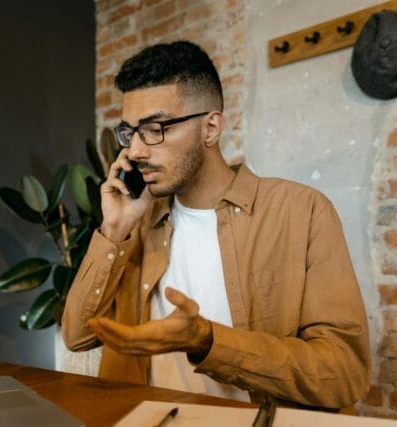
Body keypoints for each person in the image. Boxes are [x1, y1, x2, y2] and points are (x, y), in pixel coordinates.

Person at [61, 40, 371, 410]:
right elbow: (77, 337)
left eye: (155, 128)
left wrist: (207, 341)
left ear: (210, 128)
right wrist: (114, 230)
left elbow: (345, 374)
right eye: (130, 132)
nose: (136, 151)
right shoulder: (137, 224)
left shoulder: (301, 211)